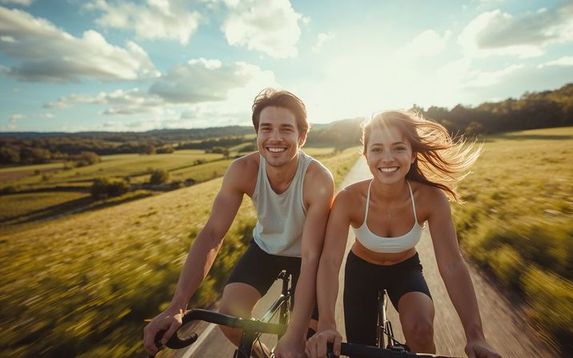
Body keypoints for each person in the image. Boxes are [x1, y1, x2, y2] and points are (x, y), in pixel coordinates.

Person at [143, 88, 334, 358]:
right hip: (265, 249)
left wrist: (295, 334)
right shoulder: (242, 170)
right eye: (266, 128)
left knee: (306, 345)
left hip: (308, 256)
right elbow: (212, 234)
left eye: (286, 129)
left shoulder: (318, 179)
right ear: (257, 133)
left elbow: (312, 255)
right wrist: (178, 305)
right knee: (231, 319)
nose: (275, 138)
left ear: (301, 136)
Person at [305, 110, 501, 358]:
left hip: (405, 270)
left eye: (398, 148)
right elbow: (330, 261)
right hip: (361, 273)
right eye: (376, 149)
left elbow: (452, 265)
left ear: (413, 154)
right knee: (363, 351)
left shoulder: (431, 199)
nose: (387, 158)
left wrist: (476, 336)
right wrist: (326, 324)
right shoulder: (348, 199)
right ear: (365, 156)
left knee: (420, 329)